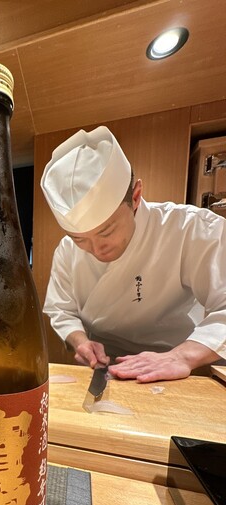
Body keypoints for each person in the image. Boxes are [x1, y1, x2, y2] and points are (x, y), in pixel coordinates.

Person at [41, 126, 226, 383]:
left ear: (136, 197)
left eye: (106, 232)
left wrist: (182, 357)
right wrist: (81, 341)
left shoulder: (190, 228)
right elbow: (61, 310)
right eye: (80, 239)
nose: (96, 250)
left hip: (179, 367)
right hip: (106, 369)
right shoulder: (66, 249)